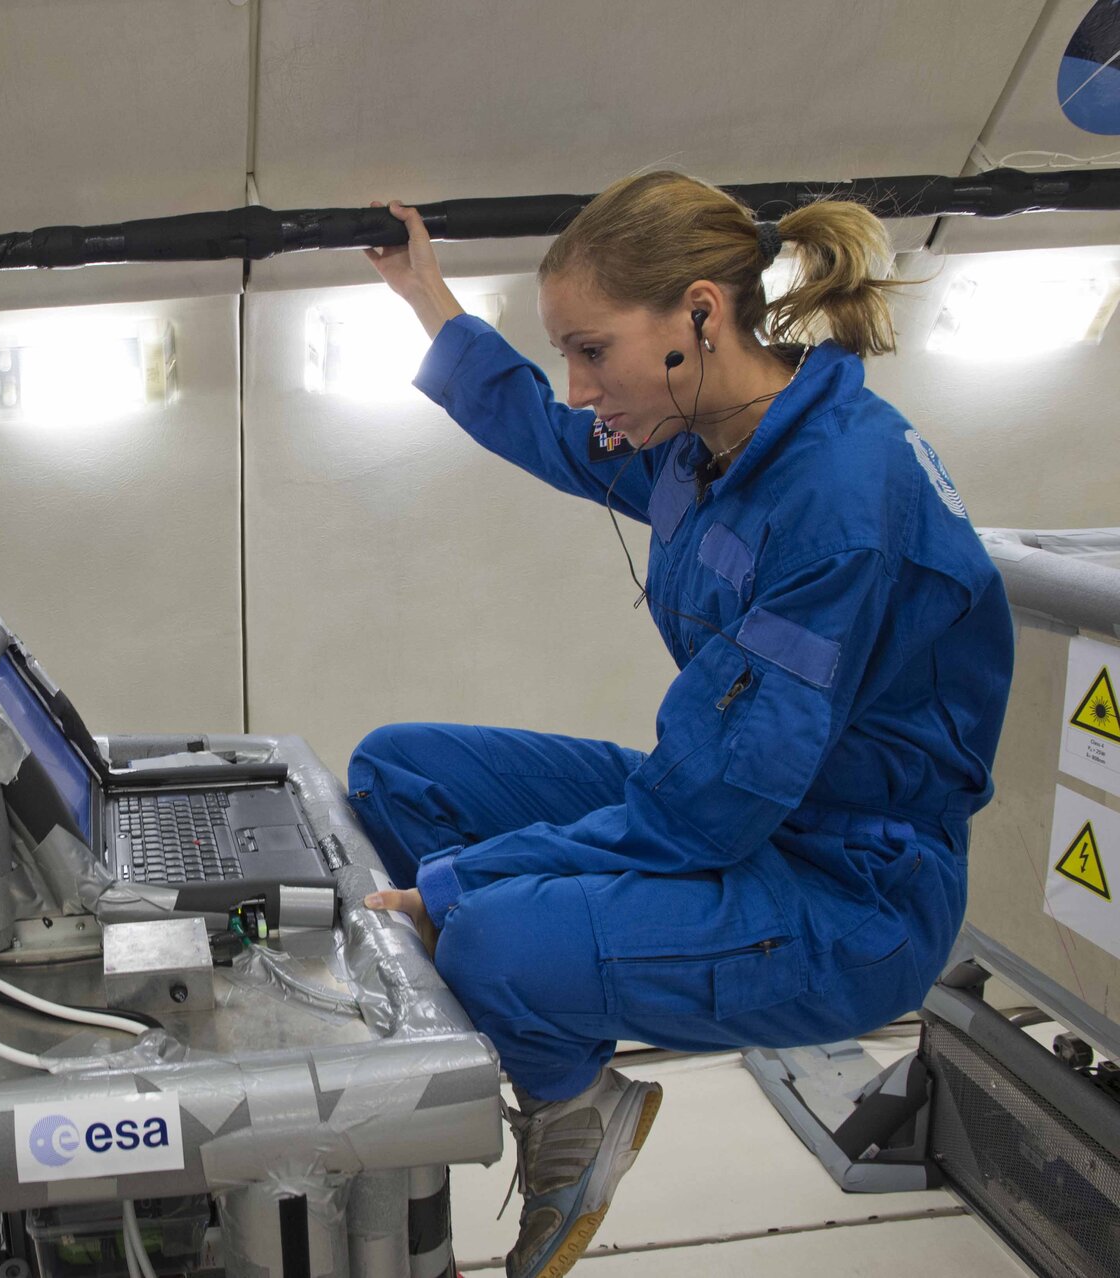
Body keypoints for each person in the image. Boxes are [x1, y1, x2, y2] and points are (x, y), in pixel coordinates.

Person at [352, 173, 1013, 1278]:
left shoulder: (837, 507)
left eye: (590, 351)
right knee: (401, 770)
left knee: (489, 936)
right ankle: (531, 1024)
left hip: (853, 891)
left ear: (699, 314)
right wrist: (431, 303)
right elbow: (551, 435)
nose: (576, 386)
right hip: (749, 810)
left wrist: (456, 891)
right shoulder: (702, 428)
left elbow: (704, 809)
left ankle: (571, 1108)